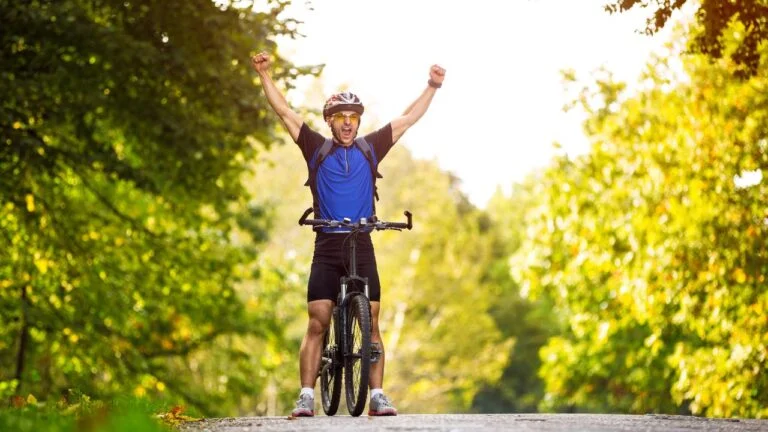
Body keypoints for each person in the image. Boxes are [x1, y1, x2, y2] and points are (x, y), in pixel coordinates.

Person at [251, 51, 445, 417]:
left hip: (362, 242)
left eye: (352, 118)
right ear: (330, 122)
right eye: (340, 117)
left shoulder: (371, 148)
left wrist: (432, 86)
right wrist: (264, 75)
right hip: (326, 244)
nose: (347, 123)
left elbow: (408, 119)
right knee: (317, 321)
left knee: (371, 322)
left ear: (358, 123)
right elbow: (285, 113)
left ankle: (377, 396)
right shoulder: (315, 148)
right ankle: (307, 395)